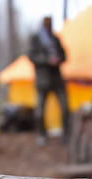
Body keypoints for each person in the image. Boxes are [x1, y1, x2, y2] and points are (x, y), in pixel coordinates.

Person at [28, 16, 70, 145]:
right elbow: (31, 56)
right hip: (43, 80)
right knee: (40, 110)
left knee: (64, 107)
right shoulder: (36, 39)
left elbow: (64, 55)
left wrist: (58, 59)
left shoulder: (55, 39)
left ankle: (66, 134)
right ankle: (42, 135)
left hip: (57, 78)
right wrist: (47, 60)